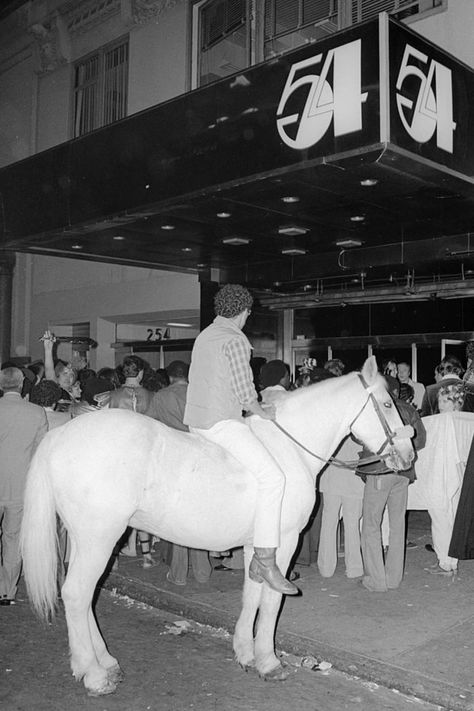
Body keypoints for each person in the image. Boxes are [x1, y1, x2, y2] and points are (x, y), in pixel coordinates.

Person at [183, 283, 298, 595]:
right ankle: (265, 559)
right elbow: (245, 393)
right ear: (244, 312)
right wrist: (264, 411)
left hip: (196, 421)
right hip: (221, 421)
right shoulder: (235, 339)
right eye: (248, 313)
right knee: (274, 477)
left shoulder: (205, 335)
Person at [148, 360, 211, 585]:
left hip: (174, 460)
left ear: (170, 377)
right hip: (202, 459)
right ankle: (203, 571)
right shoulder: (200, 396)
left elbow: (149, 425)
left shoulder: (160, 397)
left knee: (178, 517)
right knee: (199, 516)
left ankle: (179, 574)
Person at [357, 393, 426, 592]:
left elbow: (357, 435)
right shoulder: (409, 408)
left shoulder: (375, 409)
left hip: (380, 470)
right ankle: (393, 578)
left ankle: (376, 581)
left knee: (371, 524)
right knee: (398, 524)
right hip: (404, 472)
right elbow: (420, 440)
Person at [0, 367, 48, 604]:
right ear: (21, 385)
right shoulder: (37, 413)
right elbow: (41, 452)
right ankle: (6, 591)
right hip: (20, 485)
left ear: (1, 385)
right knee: (13, 538)